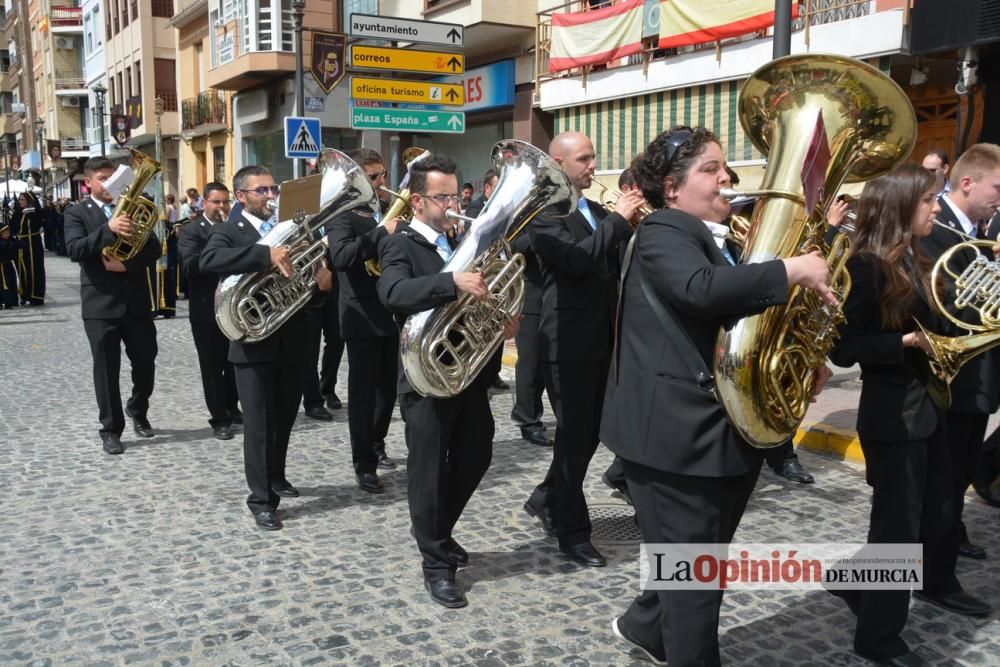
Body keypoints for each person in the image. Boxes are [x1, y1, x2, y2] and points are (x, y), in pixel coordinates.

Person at [601, 126, 835, 665]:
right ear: (671, 185)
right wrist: (791, 268)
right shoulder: (664, 229)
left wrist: (795, 363)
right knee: (696, 587)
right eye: (711, 168)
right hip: (674, 439)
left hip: (718, 433)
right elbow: (699, 291)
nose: (726, 177)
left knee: (699, 563)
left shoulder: (716, 237)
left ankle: (645, 627)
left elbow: (732, 329)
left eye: (724, 167)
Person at [826, 163, 972, 665]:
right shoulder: (864, 266)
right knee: (897, 529)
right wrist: (905, 341)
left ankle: (850, 581)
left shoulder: (920, 253)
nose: (936, 207)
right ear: (902, 207)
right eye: (929, 200)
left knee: (935, 514)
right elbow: (843, 349)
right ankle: (879, 639)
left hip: (928, 408)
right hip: (893, 415)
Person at [377, 154, 516, 608]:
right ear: (417, 201)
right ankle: (436, 563)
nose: (453, 205)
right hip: (424, 377)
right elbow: (393, 293)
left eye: (456, 195)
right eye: (443, 198)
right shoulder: (402, 245)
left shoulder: (460, 241)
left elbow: (478, 300)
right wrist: (450, 281)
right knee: (428, 472)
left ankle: (437, 531)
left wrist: (500, 318)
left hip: (466, 372)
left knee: (477, 455)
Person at [523, 131, 643, 567]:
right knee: (574, 439)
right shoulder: (543, 215)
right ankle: (573, 532)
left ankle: (545, 496)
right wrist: (618, 222)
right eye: (585, 159)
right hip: (567, 343)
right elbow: (576, 260)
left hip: (602, 340)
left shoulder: (595, 209)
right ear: (558, 163)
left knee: (590, 436)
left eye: (594, 158)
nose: (593, 166)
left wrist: (637, 228)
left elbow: (617, 265)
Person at [201, 165, 331, 531]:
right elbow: (208, 260)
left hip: (292, 339)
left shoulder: (290, 230)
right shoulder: (230, 230)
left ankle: (276, 476)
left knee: (285, 419)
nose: (270, 196)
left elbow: (305, 285)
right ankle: (261, 500)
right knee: (258, 424)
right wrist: (264, 255)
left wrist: (322, 284)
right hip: (251, 344)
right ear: (240, 196)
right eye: (262, 191)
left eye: (273, 189)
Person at [919, 143, 1000, 572]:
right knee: (938, 490)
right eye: (997, 187)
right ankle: (936, 578)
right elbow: (941, 306)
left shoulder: (977, 232)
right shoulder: (935, 229)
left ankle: (863, 580)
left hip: (976, 378)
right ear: (967, 182)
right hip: (947, 382)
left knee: (952, 481)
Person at [63, 156, 162, 455]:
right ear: (88, 183)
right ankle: (110, 429)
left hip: (135, 301)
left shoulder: (135, 206)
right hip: (100, 304)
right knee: (106, 369)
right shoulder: (76, 213)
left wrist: (127, 266)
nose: (109, 184)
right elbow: (75, 249)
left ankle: (137, 409)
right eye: (103, 178)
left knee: (146, 362)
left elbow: (154, 248)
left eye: (114, 177)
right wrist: (109, 228)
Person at [328, 147, 402, 493]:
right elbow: (341, 256)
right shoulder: (342, 213)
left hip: (390, 309)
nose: (381, 181)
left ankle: (378, 442)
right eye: (374, 176)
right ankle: (364, 462)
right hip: (360, 312)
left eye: (383, 174)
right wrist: (380, 234)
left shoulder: (384, 208)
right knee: (363, 393)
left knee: (388, 389)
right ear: (357, 178)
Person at [177, 181, 240, 440]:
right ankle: (219, 418)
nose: (222, 206)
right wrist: (222, 249)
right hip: (206, 310)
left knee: (235, 362)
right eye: (216, 202)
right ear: (204, 202)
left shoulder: (236, 228)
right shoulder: (192, 231)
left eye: (226, 202)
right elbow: (190, 266)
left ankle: (231, 406)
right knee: (212, 366)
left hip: (235, 306)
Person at [13, 192, 45, 305]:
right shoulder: (17, 212)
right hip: (20, 244)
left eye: (22, 199)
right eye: (19, 199)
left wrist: (30, 214)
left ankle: (35, 296)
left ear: (28, 200)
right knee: (22, 269)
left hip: (33, 244)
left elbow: (39, 223)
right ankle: (24, 294)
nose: (20, 201)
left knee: (35, 269)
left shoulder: (34, 212)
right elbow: (13, 227)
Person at [0, 220, 22, 309]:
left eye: (8, 233)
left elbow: (19, 245)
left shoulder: (10, 240)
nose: (8, 234)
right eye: (6, 233)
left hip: (8, 266)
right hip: (1, 268)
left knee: (10, 284)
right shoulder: (3, 243)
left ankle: (9, 302)